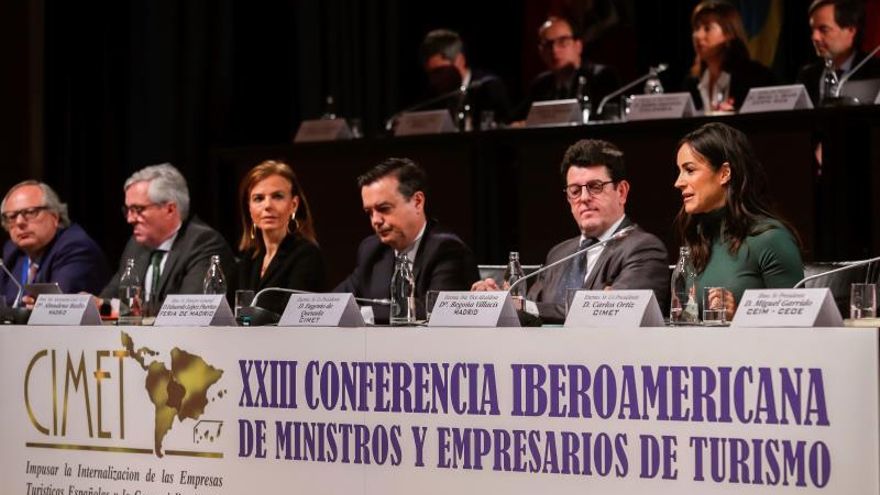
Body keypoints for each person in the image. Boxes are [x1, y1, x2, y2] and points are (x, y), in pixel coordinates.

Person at [473, 139, 670, 323]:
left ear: (622, 192)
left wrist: (525, 307)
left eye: (595, 187)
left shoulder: (644, 249)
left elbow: (613, 315)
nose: (584, 198)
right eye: (575, 191)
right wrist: (496, 303)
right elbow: (526, 311)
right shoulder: (559, 253)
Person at [674, 122, 803, 318]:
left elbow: (796, 324)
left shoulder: (770, 238)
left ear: (724, 173)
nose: (678, 182)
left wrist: (740, 316)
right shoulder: (697, 239)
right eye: (679, 171)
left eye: (690, 170)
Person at [335, 157, 480, 323]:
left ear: (417, 202)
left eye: (384, 209)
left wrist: (364, 313)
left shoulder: (447, 250)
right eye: (369, 212)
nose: (375, 220)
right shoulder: (372, 250)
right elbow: (337, 303)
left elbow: (434, 313)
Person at [100, 163, 236, 313]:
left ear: (170, 209)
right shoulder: (135, 246)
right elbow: (108, 299)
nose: (130, 219)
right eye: (128, 210)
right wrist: (97, 304)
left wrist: (121, 309)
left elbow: (188, 309)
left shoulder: (203, 243)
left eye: (138, 209)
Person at [1, 180, 109, 306]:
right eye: (12, 216)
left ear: (55, 216)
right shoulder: (12, 252)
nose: (19, 222)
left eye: (30, 212)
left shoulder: (76, 247)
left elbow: (57, 306)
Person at [237, 160, 325, 314]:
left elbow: (292, 316)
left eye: (277, 196)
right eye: (258, 198)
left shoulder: (306, 255)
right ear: (249, 208)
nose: (267, 205)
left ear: (294, 205)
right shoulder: (248, 259)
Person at [515, 16, 620, 121]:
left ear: (578, 46)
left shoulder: (601, 77)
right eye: (548, 44)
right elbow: (514, 120)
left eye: (562, 42)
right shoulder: (541, 85)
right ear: (540, 51)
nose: (554, 50)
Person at [683, 0, 775, 112]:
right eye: (696, 28)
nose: (698, 35)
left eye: (707, 28)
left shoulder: (755, 77)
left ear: (729, 33)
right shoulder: (692, 83)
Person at [419, 29, 512, 126]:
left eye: (440, 71)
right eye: (431, 73)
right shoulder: (433, 96)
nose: (435, 80)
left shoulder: (489, 88)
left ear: (460, 60)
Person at [796, 0, 880, 105]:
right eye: (813, 30)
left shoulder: (876, 72)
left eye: (824, 29)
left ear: (850, 31)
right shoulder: (807, 75)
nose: (814, 37)